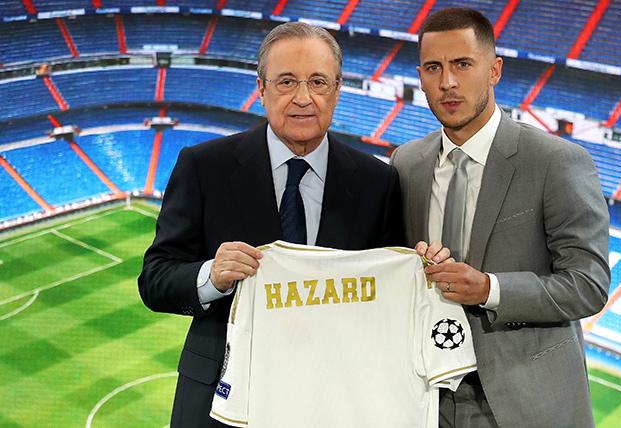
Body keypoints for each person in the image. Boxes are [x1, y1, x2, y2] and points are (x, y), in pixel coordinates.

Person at [138, 22, 424, 427]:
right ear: (262, 88)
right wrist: (211, 277)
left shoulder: (377, 182)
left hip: (334, 399)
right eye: (286, 81)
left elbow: (390, 295)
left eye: (318, 82)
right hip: (220, 401)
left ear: (338, 89)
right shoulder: (204, 167)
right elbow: (155, 279)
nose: (303, 98)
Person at [392, 8, 611, 428]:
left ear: (494, 70)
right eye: (434, 68)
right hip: (426, 397)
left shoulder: (557, 162)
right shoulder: (406, 163)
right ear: (420, 76)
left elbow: (588, 285)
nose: (448, 83)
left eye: (462, 65)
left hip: (522, 403)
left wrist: (489, 289)